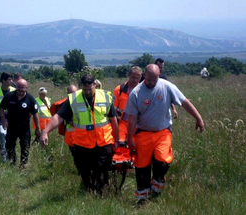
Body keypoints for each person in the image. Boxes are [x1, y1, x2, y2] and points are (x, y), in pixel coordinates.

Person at [125, 64, 204, 204]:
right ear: (144, 75)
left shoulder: (167, 86)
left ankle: (157, 184)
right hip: (143, 133)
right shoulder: (136, 93)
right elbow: (131, 118)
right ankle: (142, 197)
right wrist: (129, 137)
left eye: (154, 80)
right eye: (149, 80)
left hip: (163, 132)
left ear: (158, 76)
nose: (151, 83)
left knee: (162, 160)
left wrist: (198, 118)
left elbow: (184, 102)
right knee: (142, 165)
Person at [40, 74, 119, 193]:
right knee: (84, 170)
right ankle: (88, 191)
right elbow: (58, 117)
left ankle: (102, 195)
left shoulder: (105, 97)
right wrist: (45, 131)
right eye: (85, 89)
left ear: (95, 85)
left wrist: (117, 140)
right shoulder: (73, 99)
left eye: (90, 89)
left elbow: (113, 119)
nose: (87, 92)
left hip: (103, 141)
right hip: (82, 143)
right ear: (81, 86)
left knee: (102, 170)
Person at [0, 79, 41, 169]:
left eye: (22, 88)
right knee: (9, 146)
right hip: (11, 127)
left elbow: (35, 114)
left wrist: (38, 128)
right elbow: (2, 108)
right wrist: (3, 120)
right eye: (18, 87)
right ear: (16, 87)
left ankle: (23, 165)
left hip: (24, 128)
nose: (20, 89)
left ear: (26, 88)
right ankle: (12, 163)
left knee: (25, 147)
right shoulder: (9, 96)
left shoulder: (30, 99)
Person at [112, 66, 142, 165]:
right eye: (133, 77)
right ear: (129, 75)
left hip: (138, 124)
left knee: (135, 145)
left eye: (137, 78)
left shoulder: (144, 90)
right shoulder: (119, 89)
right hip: (123, 122)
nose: (135, 80)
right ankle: (121, 164)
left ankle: (132, 163)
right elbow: (113, 108)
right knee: (120, 142)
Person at [0, 72, 15, 162]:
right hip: (0, 116)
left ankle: (7, 151)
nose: (11, 81)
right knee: (3, 133)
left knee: (9, 137)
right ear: (3, 80)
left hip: (12, 116)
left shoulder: (14, 91)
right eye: (9, 79)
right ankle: (4, 156)